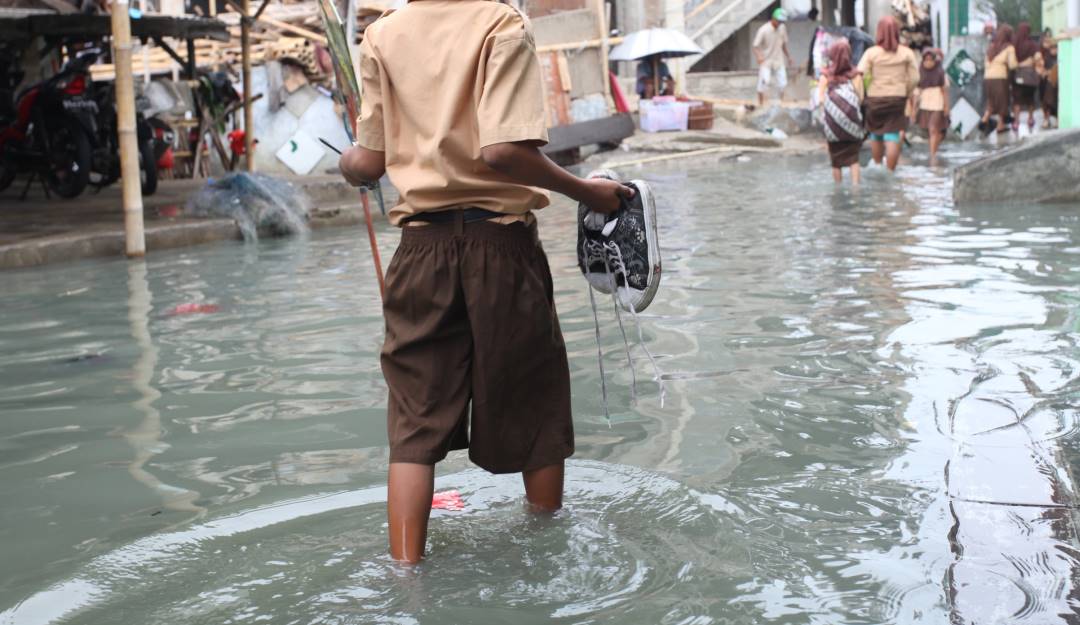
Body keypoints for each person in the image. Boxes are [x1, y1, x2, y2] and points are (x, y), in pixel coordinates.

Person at [337, 0, 632, 564]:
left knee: (413, 424)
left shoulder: (381, 36)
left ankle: (405, 577)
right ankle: (547, 560)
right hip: (500, 246)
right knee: (533, 403)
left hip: (418, 251)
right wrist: (589, 192)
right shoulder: (502, 23)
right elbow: (503, 153)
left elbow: (367, 163)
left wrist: (348, 165)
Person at [856, 16, 919, 171]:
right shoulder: (906, 53)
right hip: (897, 99)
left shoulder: (871, 53)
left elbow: (861, 73)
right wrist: (906, 91)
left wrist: (863, 94)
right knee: (893, 134)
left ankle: (877, 165)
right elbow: (915, 78)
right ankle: (891, 170)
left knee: (876, 134)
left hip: (875, 99)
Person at [817, 39, 864, 184]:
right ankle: (855, 187)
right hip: (852, 122)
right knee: (853, 157)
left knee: (836, 159)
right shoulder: (855, 76)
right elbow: (860, 98)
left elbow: (820, 99)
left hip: (833, 124)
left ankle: (838, 186)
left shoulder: (825, 76)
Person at [913, 48, 949, 163]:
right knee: (930, 131)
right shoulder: (919, 72)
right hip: (925, 104)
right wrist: (914, 109)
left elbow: (945, 90)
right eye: (926, 60)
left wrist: (946, 106)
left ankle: (932, 155)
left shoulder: (940, 72)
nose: (928, 62)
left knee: (933, 129)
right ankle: (933, 151)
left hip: (937, 103)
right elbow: (917, 91)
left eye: (930, 60)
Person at [753, 8, 793, 107]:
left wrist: (789, 56)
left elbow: (783, 44)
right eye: (778, 21)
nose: (780, 23)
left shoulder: (782, 28)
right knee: (764, 82)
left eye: (781, 21)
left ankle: (781, 103)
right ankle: (761, 104)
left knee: (783, 83)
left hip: (778, 59)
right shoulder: (763, 30)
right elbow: (755, 46)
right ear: (773, 19)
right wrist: (759, 57)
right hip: (766, 60)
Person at [981, 23, 1016, 134]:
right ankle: (999, 125)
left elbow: (985, 63)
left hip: (987, 79)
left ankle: (984, 121)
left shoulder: (991, 47)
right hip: (1000, 78)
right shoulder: (1009, 48)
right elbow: (1013, 65)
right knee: (1003, 101)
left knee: (991, 102)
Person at [1011, 22, 1042, 131]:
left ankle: (1016, 121)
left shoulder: (1013, 44)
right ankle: (1030, 118)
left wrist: (1018, 64)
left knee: (1017, 100)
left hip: (1017, 75)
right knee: (1030, 99)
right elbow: (1038, 57)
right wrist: (1030, 62)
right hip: (1030, 76)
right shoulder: (1033, 44)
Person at [1039, 32, 1059, 129]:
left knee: (1055, 101)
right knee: (1046, 101)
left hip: (1057, 84)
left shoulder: (1061, 57)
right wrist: (1045, 72)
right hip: (1046, 84)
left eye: (1055, 47)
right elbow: (1042, 70)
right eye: (1052, 48)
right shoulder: (1046, 58)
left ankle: (1057, 119)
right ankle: (1046, 119)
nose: (1054, 50)